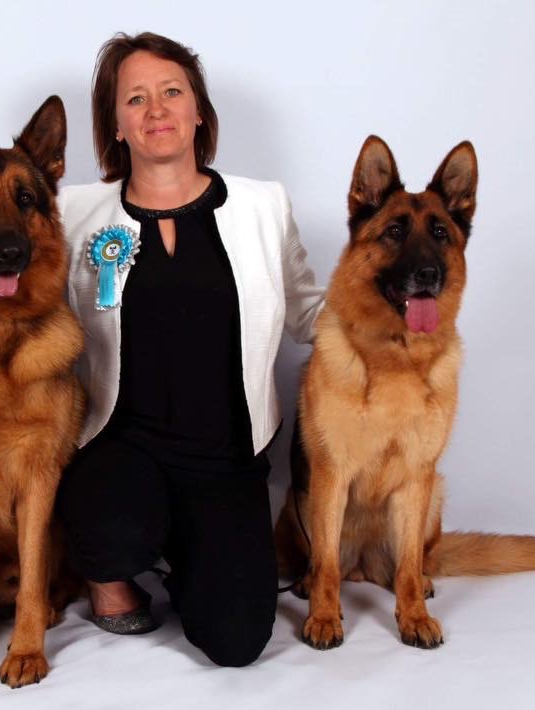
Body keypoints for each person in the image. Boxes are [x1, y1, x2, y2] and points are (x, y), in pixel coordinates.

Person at [57, 32, 324, 667]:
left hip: (226, 458)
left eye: (172, 92)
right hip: (122, 448)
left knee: (236, 643)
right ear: (115, 124)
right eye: (136, 98)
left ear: (199, 110)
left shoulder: (263, 205)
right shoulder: (73, 213)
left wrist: (394, 325)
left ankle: (191, 547)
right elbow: (27, 318)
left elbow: (307, 308)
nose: (157, 110)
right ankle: (112, 573)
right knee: (109, 522)